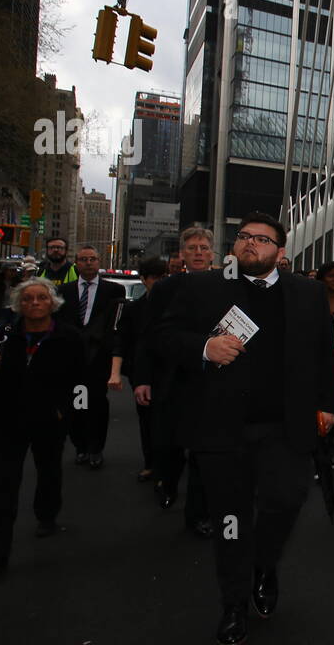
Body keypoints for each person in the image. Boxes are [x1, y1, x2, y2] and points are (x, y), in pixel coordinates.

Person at [156, 211, 334, 645]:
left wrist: (327, 406)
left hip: (285, 427)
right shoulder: (203, 287)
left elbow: (323, 354)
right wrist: (204, 346)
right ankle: (234, 603)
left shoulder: (307, 293)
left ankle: (264, 565)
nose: (249, 244)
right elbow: (162, 336)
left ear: (280, 252)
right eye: (243, 237)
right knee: (231, 520)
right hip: (222, 430)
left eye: (261, 239)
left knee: (286, 500)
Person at [0, 277, 84, 582]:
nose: (34, 303)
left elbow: (80, 379)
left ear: (52, 303)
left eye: (41, 298)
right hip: (5, 421)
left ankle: (47, 514)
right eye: (28, 299)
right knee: (3, 487)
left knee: (49, 470)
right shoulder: (4, 335)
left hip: (49, 420)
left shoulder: (68, 337)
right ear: (18, 304)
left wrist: (66, 412)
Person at [143, 227, 216, 535]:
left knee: (204, 450)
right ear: (182, 254)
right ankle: (167, 483)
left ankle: (197, 514)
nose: (198, 252)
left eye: (203, 247)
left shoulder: (225, 286)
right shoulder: (163, 289)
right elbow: (148, 337)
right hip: (172, 378)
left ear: (212, 253)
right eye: (192, 247)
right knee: (170, 444)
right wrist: (142, 379)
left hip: (210, 379)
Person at [58, 247, 125, 469]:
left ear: (99, 262)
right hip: (72, 358)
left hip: (99, 357)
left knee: (97, 404)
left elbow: (117, 325)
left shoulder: (113, 290)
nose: (88, 263)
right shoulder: (64, 291)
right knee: (75, 404)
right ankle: (80, 447)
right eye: (83, 259)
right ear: (76, 262)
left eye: (93, 259)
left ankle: (96, 448)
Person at [109, 257, 169, 482]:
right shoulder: (133, 309)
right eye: (155, 278)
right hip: (141, 371)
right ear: (144, 280)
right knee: (147, 420)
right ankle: (151, 464)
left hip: (171, 372)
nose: (161, 282)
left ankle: (168, 466)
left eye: (164, 277)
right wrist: (115, 373)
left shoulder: (176, 305)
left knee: (170, 420)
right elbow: (121, 341)